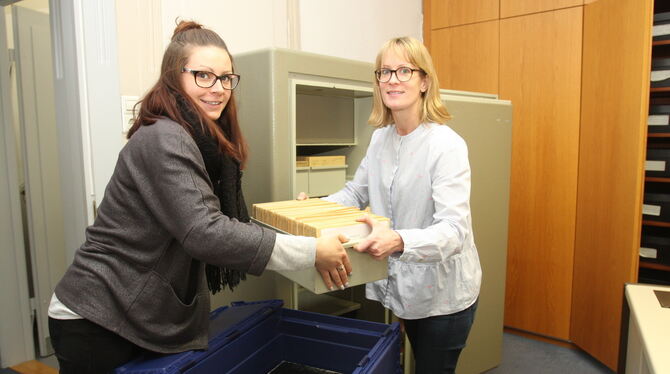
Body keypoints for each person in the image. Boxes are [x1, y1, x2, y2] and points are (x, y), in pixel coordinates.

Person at [47, 20, 351, 374]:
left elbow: (216, 221)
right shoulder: (165, 138)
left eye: (226, 78)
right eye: (203, 75)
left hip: (130, 311)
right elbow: (206, 231)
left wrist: (300, 236)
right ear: (174, 77)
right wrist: (312, 252)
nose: (218, 88)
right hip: (97, 316)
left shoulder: (198, 140)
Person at [321, 36, 481, 373]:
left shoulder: (446, 145)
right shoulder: (381, 138)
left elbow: (454, 231)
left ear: (424, 81)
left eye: (404, 70)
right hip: (401, 286)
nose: (392, 79)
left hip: (443, 297)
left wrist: (398, 240)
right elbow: (355, 193)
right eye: (385, 72)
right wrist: (313, 207)